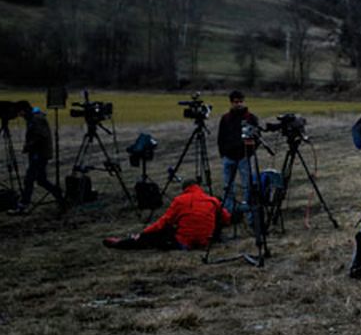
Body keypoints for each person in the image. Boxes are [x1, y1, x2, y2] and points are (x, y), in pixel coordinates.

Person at [103, 178, 231, 250]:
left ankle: (123, 243)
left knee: (158, 234)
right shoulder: (212, 200)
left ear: (185, 189)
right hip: (205, 241)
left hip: (184, 243)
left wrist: (144, 232)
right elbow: (227, 218)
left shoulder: (180, 200)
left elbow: (162, 223)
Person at [10, 101, 67, 215]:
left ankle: (23, 205)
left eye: (20, 112)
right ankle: (59, 196)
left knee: (29, 179)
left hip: (39, 154)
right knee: (41, 180)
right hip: (38, 153)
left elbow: (41, 136)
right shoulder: (34, 118)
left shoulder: (36, 119)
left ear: (24, 110)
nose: (19, 115)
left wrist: (29, 146)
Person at [217, 90, 259, 216]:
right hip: (229, 157)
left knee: (247, 185)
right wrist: (223, 153)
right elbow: (221, 137)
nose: (239, 104)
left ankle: (249, 211)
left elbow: (257, 137)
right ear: (231, 103)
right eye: (236, 102)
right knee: (227, 186)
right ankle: (229, 212)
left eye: (241, 101)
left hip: (243, 157)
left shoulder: (251, 118)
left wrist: (250, 152)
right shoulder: (225, 118)